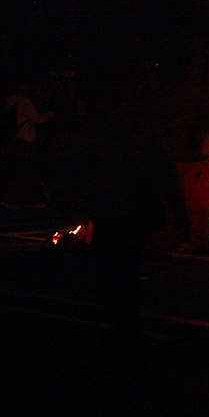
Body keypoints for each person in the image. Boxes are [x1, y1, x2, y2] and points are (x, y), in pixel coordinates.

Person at [82, 79, 191, 373]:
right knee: (128, 270)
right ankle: (130, 332)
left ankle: (123, 332)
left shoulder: (98, 132)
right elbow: (166, 174)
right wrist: (180, 215)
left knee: (110, 274)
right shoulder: (144, 131)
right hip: (136, 213)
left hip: (110, 213)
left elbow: (83, 172)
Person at [1, 81, 55, 209]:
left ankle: (12, 199)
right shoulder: (25, 101)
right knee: (27, 171)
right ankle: (26, 200)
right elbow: (37, 119)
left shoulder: (9, 102)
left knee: (18, 170)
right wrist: (50, 114)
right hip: (26, 138)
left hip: (15, 138)